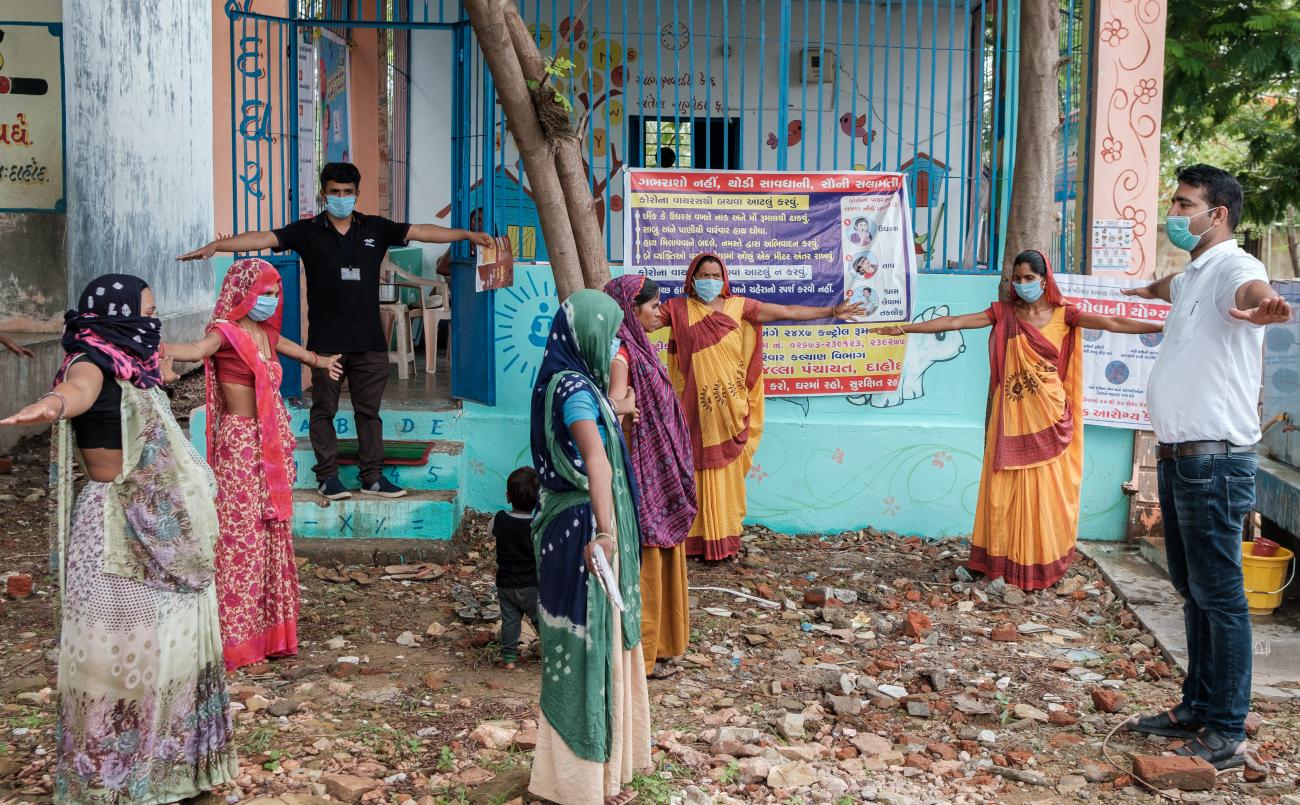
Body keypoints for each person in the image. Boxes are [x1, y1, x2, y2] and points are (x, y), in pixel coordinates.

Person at [1, 275, 237, 803]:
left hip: (162, 533)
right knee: (124, 658)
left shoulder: (135, 364)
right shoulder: (93, 359)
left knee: (170, 652)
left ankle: (170, 769)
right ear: (118, 313)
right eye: (147, 310)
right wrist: (54, 405)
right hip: (118, 534)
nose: (153, 320)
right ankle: (119, 779)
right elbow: (78, 390)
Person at [178, 162, 493, 501]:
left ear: (356, 194)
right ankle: (327, 477)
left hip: (370, 341)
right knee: (323, 410)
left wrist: (466, 235)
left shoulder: (376, 227)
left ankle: (372, 477)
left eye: (347, 193)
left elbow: (423, 232)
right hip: (327, 345)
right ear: (324, 193)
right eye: (334, 192)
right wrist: (217, 246)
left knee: (369, 413)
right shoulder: (306, 231)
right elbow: (265, 237)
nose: (341, 198)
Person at [1121, 165, 1291, 769]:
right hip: (1180, 459)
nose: (1176, 212)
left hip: (1214, 462)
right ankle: (1195, 706)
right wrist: (1147, 290)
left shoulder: (1235, 269)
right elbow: (1176, 285)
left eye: (1184, 203)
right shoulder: (1195, 272)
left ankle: (1226, 729)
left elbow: (1248, 292)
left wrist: (1263, 306)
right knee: (1190, 590)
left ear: (1216, 214)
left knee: (1220, 598)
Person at [874, 250, 1163, 590]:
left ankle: (1038, 565)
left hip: (1050, 418)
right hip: (1010, 417)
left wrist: (1162, 326)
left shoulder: (1065, 314)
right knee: (1004, 491)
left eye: (1029, 278)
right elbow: (956, 322)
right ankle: (1000, 563)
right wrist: (907, 329)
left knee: (1046, 493)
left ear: (1045, 279)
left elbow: (1113, 323)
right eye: (1017, 278)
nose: (1023, 284)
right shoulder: (1004, 314)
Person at [162, 258, 341, 671]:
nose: (271, 300)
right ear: (244, 294)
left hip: (270, 446)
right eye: (265, 293)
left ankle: (271, 632)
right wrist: (165, 351)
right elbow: (196, 351)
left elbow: (288, 347)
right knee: (239, 537)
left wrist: (319, 361)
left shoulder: (262, 332)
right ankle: (235, 637)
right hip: (241, 445)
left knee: (269, 534)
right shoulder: (225, 333)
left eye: (276, 294)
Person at [655, 253, 864, 562]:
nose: (710, 281)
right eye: (704, 275)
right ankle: (692, 540)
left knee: (725, 475)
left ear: (724, 279)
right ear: (692, 278)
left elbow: (787, 311)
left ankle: (722, 541)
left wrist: (833, 310)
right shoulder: (678, 308)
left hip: (729, 411)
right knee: (692, 470)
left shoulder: (740, 307)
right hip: (692, 410)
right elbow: (643, 322)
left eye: (716, 276)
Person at [528, 290, 650, 805]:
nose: (619, 340)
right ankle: (577, 781)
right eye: (614, 332)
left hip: (585, 523)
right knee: (583, 646)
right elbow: (596, 461)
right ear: (589, 337)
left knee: (599, 639)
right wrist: (605, 530)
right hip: (582, 529)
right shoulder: (575, 390)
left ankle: (606, 769)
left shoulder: (577, 384)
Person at [604, 275, 697, 680]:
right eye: (654, 305)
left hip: (657, 470)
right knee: (645, 552)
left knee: (662, 549)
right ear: (630, 307)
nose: (660, 311)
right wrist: (627, 406)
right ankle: (642, 651)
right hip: (639, 471)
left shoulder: (641, 349)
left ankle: (661, 644)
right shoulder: (622, 354)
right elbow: (612, 407)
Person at [494, 466, 541, 671]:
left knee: (510, 622)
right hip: (532, 585)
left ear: (507, 496)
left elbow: (491, 532)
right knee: (540, 621)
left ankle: (509, 659)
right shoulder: (538, 525)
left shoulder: (499, 519)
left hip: (506, 584)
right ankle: (552, 652)